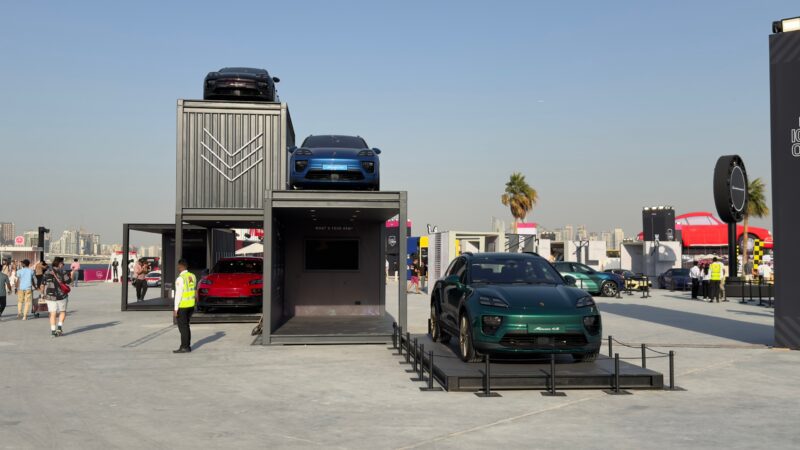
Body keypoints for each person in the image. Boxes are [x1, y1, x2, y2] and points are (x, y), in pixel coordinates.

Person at [40, 257, 71, 337]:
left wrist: (42, 294)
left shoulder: (47, 272)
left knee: (52, 313)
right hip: (62, 296)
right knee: (62, 311)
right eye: (63, 264)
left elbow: (42, 285)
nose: (63, 265)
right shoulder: (63, 272)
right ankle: (59, 328)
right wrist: (73, 274)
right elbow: (69, 281)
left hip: (50, 296)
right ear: (60, 264)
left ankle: (53, 332)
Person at [173, 258, 196, 353]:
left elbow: (178, 294)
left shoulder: (180, 278)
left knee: (183, 327)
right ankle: (187, 346)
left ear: (180, 266)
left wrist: (175, 309)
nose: (178, 268)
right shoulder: (192, 276)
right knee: (186, 326)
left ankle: (184, 347)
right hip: (191, 305)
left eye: (178, 266)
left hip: (183, 306)